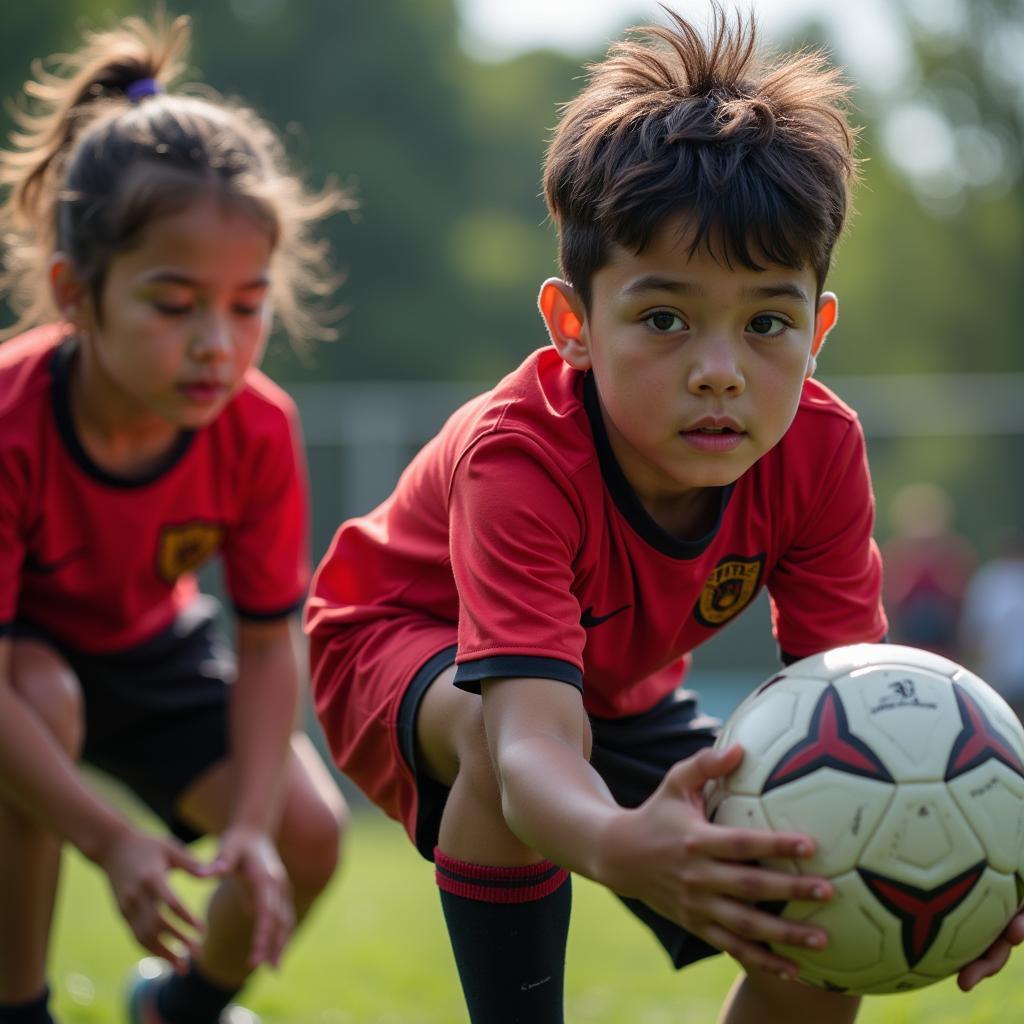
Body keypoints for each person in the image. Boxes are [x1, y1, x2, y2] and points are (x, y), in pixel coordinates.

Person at [306, 5, 1024, 1023]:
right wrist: (615, 844)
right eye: (663, 319)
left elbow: (857, 718)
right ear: (573, 325)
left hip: (609, 690)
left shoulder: (819, 448)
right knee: (490, 737)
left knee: (812, 875)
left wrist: (975, 862)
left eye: (766, 321)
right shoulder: (520, 455)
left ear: (817, 328)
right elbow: (529, 751)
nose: (721, 371)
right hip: (398, 643)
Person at [0, 12, 349, 1024]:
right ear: (77, 294)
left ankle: (182, 1008)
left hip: (151, 652)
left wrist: (246, 827)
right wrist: (109, 838)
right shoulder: (12, 418)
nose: (216, 343)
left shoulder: (257, 431)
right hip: (20, 670)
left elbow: (267, 642)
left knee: (308, 829)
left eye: (247, 305)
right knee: (41, 692)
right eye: (174, 301)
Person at [881, 481, 976, 660]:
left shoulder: (953, 551)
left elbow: (962, 599)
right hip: (909, 642)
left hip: (945, 642)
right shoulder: (897, 552)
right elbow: (890, 601)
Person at [959, 530, 1024, 720]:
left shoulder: (989, 579)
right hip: (1002, 673)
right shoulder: (991, 579)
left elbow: (976, 631)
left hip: (1000, 672)